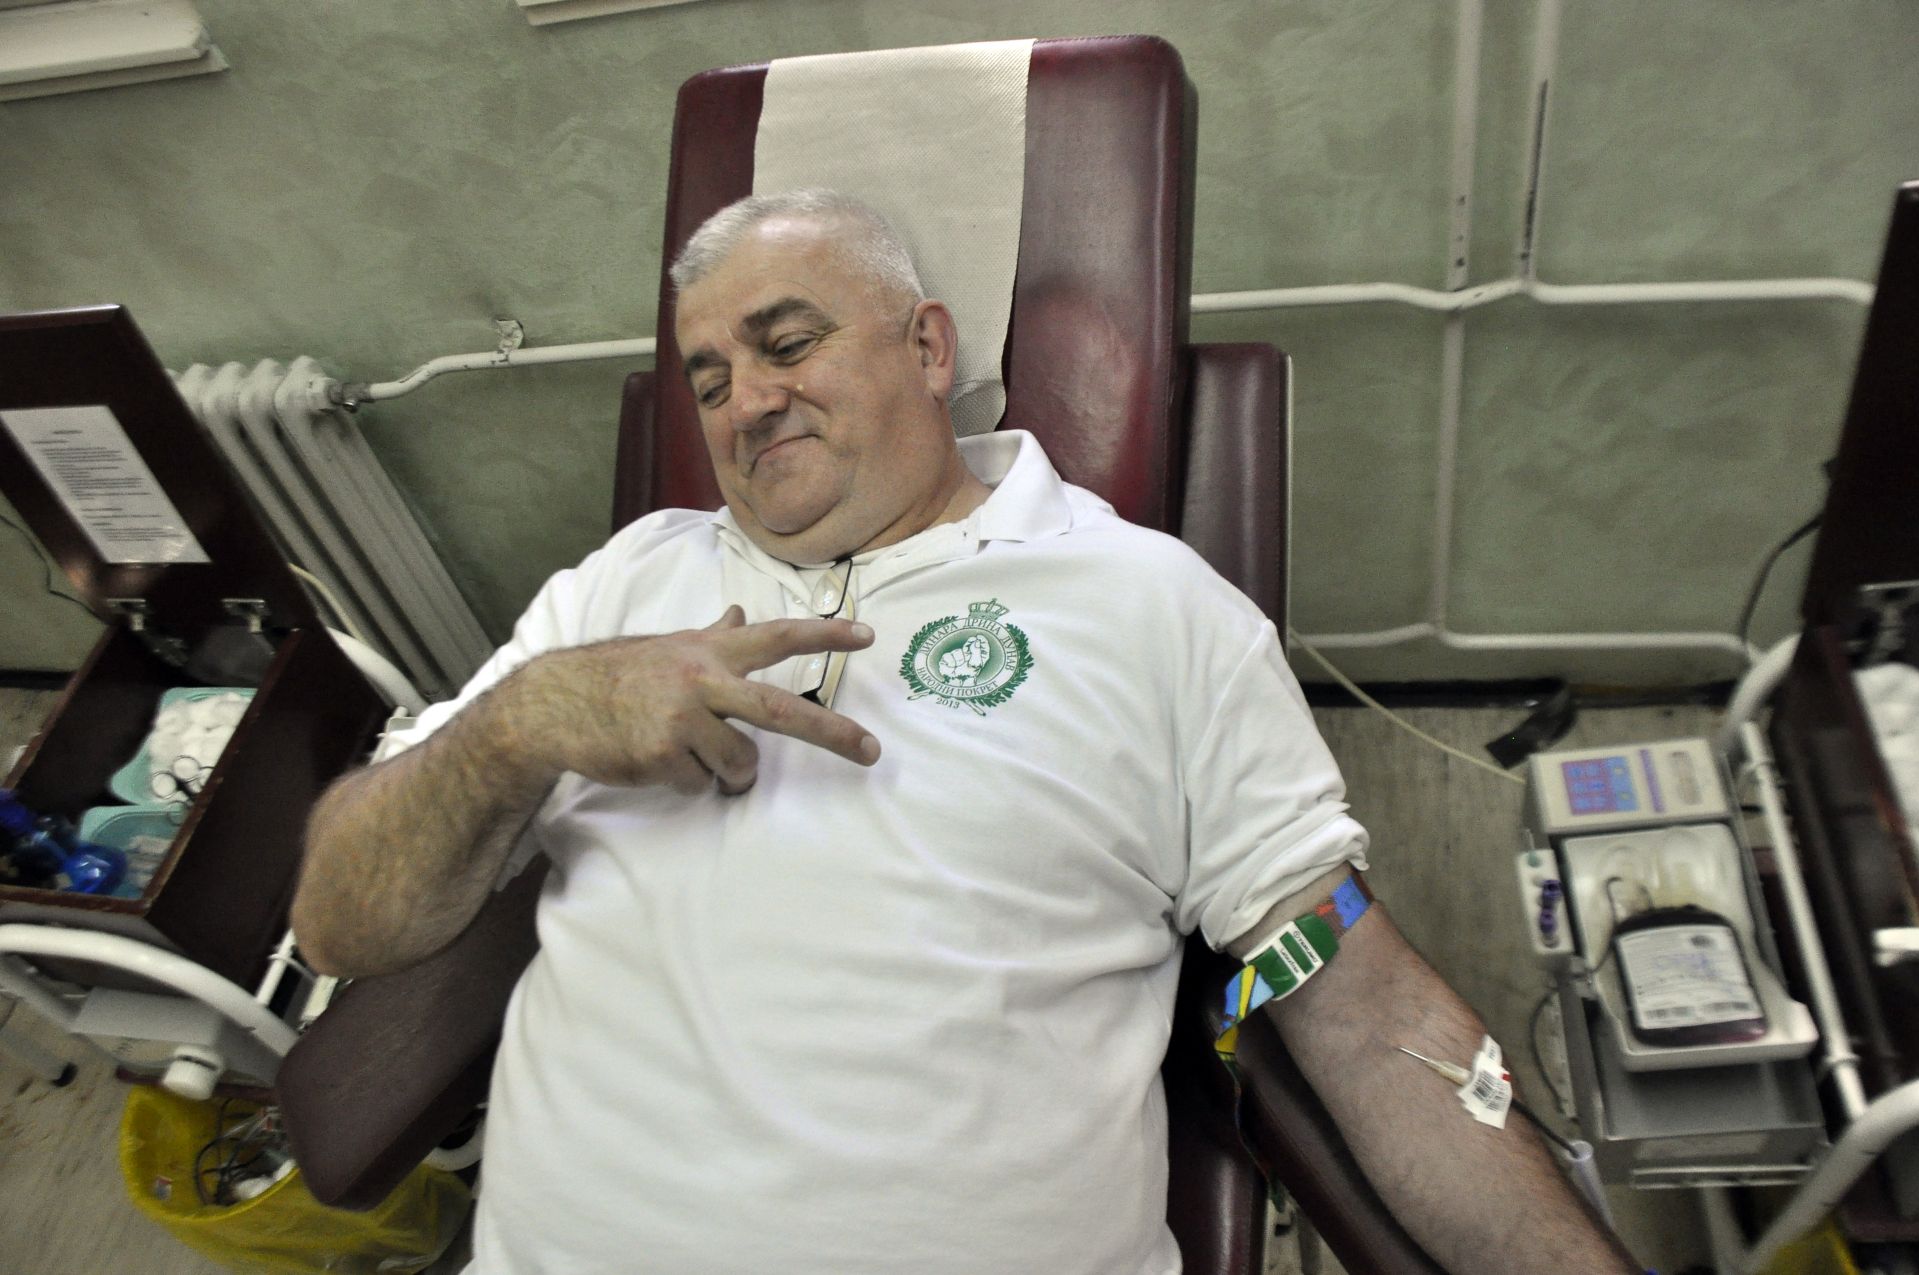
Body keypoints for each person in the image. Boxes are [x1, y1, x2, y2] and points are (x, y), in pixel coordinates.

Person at [292, 189, 1638, 1274]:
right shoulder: (624, 586)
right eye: (707, 379)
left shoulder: (1146, 605)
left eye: (787, 343)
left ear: (930, 350)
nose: (745, 404)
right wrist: (522, 726)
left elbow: (1359, 1004)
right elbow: (339, 924)